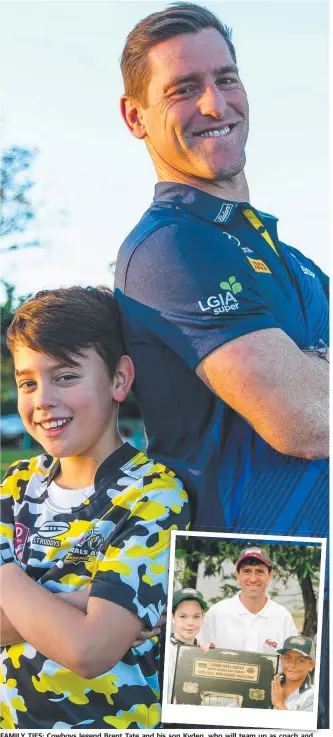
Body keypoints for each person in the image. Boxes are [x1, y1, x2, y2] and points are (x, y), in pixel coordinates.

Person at [114, 4, 328, 722]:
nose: (214, 103)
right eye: (181, 89)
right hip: (231, 596)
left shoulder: (289, 259)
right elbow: (305, 418)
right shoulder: (168, 248)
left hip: (307, 587)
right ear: (134, 116)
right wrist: (307, 372)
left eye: (225, 78)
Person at [0, 286, 189, 730]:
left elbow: (90, 650)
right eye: (28, 381)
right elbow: (88, 632)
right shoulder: (13, 486)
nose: (43, 398)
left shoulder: (155, 495)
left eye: (66, 376)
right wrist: (80, 600)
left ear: (119, 379)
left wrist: (6, 573)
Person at [198, 547, 297, 653]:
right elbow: (197, 654)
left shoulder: (283, 617)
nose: (253, 579)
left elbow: (292, 661)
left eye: (259, 571)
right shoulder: (216, 614)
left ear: (270, 575)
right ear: (237, 575)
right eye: (247, 571)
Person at [167, 587, 210, 703]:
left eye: (196, 616)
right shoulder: (163, 650)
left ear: (203, 617)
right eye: (183, 616)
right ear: (172, 617)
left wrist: (211, 656)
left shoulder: (204, 651)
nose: (190, 623)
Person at [271, 636, 315, 712]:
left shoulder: (312, 697)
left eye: (300, 661)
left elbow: (301, 724)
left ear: (312, 664)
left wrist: (279, 704)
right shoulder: (269, 683)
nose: (292, 665)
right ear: (281, 659)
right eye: (287, 658)